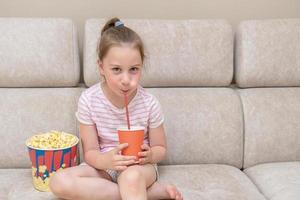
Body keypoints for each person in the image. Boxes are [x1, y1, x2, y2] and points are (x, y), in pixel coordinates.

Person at [49, 17, 183, 200]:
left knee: (130, 178)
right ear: (101, 67)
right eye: (117, 70)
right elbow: (90, 153)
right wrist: (106, 161)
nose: (126, 80)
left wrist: (150, 154)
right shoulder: (89, 100)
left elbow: (160, 148)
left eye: (134, 69)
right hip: (104, 167)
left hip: (139, 169)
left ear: (142, 67)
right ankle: (151, 194)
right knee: (59, 181)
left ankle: (135, 189)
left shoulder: (149, 103)